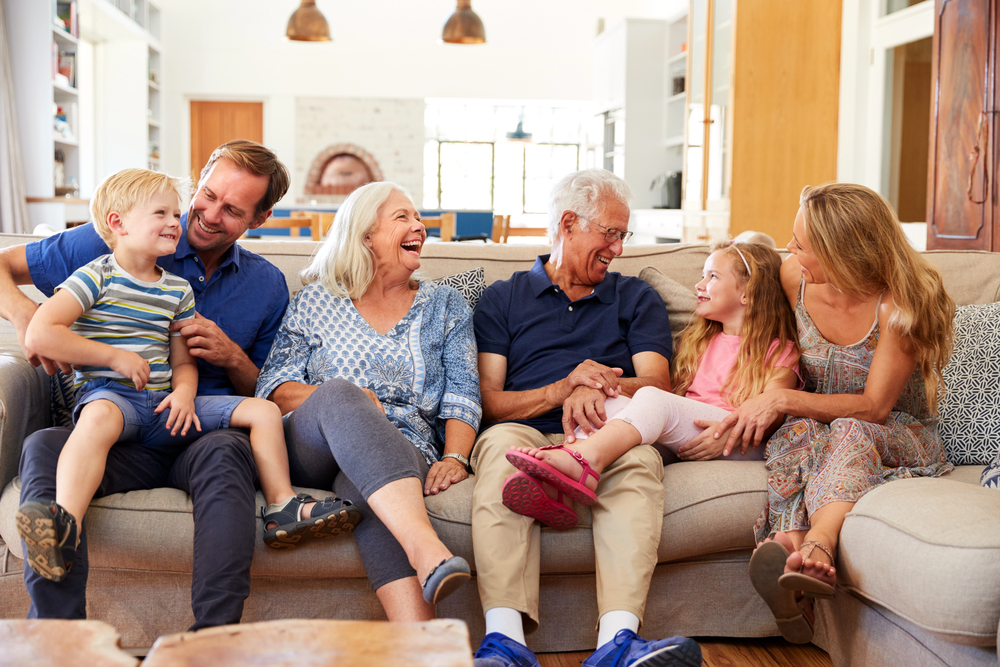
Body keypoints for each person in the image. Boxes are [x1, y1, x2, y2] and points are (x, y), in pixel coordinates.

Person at [0, 140, 298, 630]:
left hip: (198, 428)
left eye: (233, 210)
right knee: (42, 448)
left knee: (227, 454)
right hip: (117, 426)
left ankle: (213, 642)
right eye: (207, 195)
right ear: (198, 180)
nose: (206, 215)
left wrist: (231, 355)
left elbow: (269, 387)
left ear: (258, 220)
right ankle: (56, 636)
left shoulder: (266, 285)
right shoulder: (118, 238)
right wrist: (28, 316)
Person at [16, 168, 358, 581]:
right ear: (117, 224)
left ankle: (283, 505)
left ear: (258, 218)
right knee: (93, 421)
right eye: (166, 211)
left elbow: (184, 362)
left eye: (230, 209)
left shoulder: (178, 290)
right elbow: (41, 332)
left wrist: (184, 392)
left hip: (168, 407)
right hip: (115, 400)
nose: (179, 221)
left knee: (262, 413)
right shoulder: (95, 271)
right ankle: (63, 524)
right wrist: (113, 357)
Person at [470, 169, 702, 667]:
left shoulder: (634, 296)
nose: (618, 247)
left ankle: (617, 645)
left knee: (639, 461)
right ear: (569, 223)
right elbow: (491, 400)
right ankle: (506, 644)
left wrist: (595, 384)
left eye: (623, 235)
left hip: (608, 427)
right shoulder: (503, 297)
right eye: (610, 233)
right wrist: (560, 387)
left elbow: (657, 384)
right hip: (524, 425)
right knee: (500, 451)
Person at [716, 183, 956, 644]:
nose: (790, 249)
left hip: (897, 432)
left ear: (843, 252)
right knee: (795, 432)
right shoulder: (794, 278)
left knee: (845, 427)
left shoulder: (900, 304)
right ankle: (788, 554)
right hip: (819, 422)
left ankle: (815, 545)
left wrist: (783, 399)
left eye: (802, 244)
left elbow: (874, 407)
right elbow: (771, 346)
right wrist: (770, 394)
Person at [255, 181, 479, 619]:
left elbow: (463, 393)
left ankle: (420, 646)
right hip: (312, 444)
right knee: (342, 393)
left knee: (368, 487)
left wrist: (455, 455)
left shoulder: (446, 305)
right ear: (365, 236)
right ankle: (427, 550)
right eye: (403, 217)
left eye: (418, 218)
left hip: (403, 447)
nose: (419, 227)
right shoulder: (315, 300)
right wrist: (354, 402)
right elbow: (275, 389)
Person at [502, 242, 800, 524]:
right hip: (693, 431)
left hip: (737, 438)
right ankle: (556, 491)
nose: (699, 285)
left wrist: (730, 432)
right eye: (701, 275)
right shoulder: (700, 341)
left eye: (712, 277)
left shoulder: (780, 350)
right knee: (610, 399)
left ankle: (583, 460)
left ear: (747, 293)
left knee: (653, 397)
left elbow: (769, 412)